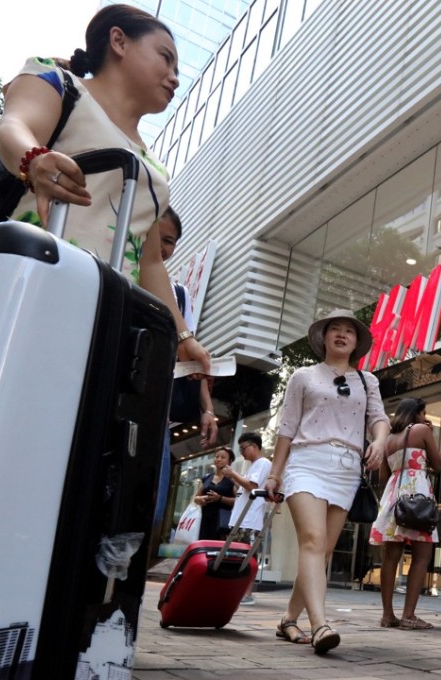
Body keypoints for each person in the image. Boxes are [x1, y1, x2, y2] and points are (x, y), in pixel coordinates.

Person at [0, 5, 210, 376]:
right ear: (119, 41)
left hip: (104, 315)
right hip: (23, 283)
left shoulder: (155, 169)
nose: (175, 78)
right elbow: (14, 126)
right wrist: (34, 159)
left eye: (177, 70)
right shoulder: (57, 81)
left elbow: (149, 260)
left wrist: (183, 334)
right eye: (166, 58)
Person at [264, 309, 390, 655]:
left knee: (323, 550)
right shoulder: (304, 376)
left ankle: (288, 619)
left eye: (348, 331)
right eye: (335, 329)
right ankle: (320, 625)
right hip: (306, 461)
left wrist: (378, 441)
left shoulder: (368, 381)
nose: (341, 334)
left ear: (355, 342)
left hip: (347, 467)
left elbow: (379, 419)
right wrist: (275, 473)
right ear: (324, 338)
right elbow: (287, 428)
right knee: (313, 540)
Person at [154, 206, 218, 526]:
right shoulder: (113, 268)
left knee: (149, 510)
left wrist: (207, 409)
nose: (162, 248)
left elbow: (191, 358)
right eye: (156, 237)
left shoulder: (180, 296)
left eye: (170, 241)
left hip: (156, 416)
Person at [369, 398, 441, 630]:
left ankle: (387, 615)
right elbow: (439, 465)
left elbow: (383, 477)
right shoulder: (421, 430)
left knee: (391, 557)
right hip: (417, 493)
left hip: (394, 496)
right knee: (422, 555)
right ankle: (409, 615)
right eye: (424, 413)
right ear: (417, 413)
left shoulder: (388, 439)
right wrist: (431, 434)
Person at [222, 432, 273, 606]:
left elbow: (252, 486)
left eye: (244, 448)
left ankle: (247, 593)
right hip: (243, 518)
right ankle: (241, 591)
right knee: (239, 556)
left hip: (249, 520)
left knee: (247, 557)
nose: (242, 452)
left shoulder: (263, 463)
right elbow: (245, 488)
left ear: (254, 446)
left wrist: (233, 474)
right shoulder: (254, 465)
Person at [193, 447, 237, 540]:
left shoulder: (233, 479)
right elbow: (196, 497)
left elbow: (238, 501)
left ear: (230, 461)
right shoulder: (206, 478)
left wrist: (220, 498)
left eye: (223, 457)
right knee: (204, 546)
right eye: (217, 456)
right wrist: (201, 499)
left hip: (223, 522)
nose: (218, 459)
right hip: (205, 520)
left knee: (218, 549)